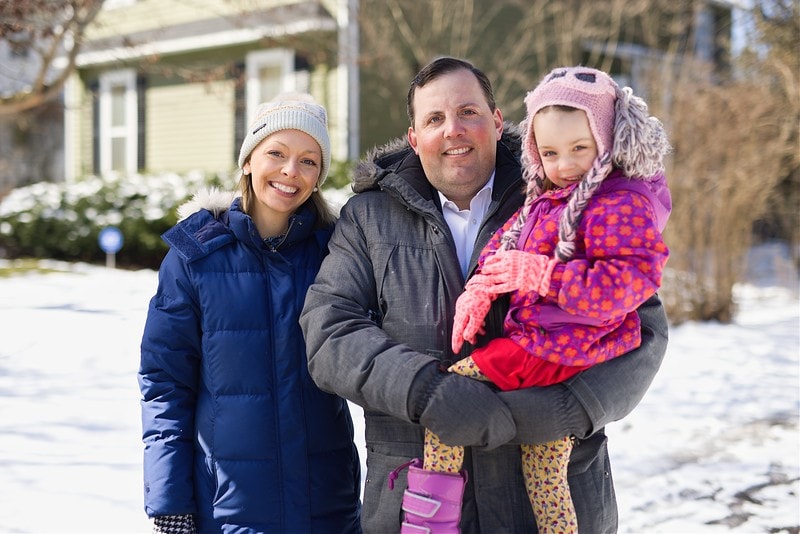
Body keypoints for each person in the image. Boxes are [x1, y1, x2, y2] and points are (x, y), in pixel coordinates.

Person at [300, 57, 669, 533]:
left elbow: (643, 326)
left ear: (497, 122)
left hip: (546, 499)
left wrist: (569, 407)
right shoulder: (368, 218)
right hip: (416, 503)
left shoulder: (565, 191)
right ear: (414, 137)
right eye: (434, 119)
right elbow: (331, 333)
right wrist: (426, 390)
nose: (453, 129)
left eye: (468, 112)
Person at [421, 66, 672, 533]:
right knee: (544, 470)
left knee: (447, 402)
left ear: (609, 137)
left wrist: (541, 275)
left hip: (552, 346)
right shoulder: (551, 197)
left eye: (580, 148)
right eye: (550, 153)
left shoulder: (619, 202)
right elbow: (508, 242)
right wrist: (480, 287)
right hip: (555, 345)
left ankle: (429, 525)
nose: (565, 165)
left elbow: (626, 284)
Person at [138, 93, 361, 533]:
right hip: (227, 507)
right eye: (276, 153)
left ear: (318, 176)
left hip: (326, 504)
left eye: (308, 161)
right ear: (247, 161)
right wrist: (169, 500)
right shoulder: (195, 255)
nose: (289, 171)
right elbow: (164, 383)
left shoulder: (339, 251)